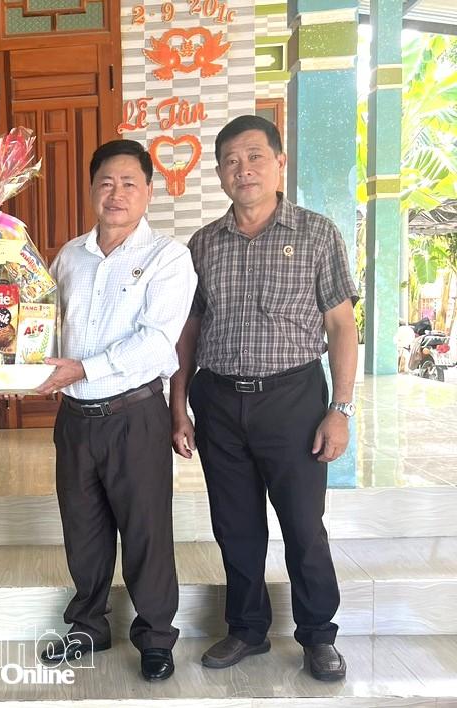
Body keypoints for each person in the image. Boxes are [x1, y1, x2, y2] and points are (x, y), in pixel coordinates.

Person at [169, 115, 358, 681]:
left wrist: (340, 409)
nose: (243, 169)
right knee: (235, 525)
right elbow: (189, 331)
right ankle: (247, 629)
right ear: (220, 173)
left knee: (303, 525)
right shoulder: (203, 243)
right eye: (231, 160)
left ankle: (318, 636)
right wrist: (179, 405)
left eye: (254, 156)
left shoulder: (318, 233)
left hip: (294, 399)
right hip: (219, 401)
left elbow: (341, 326)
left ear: (280, 162)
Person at [34, 139, 196, 682]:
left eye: (129, 183)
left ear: (149, 191)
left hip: (136, 416)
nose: (116, 193)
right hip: (75, 419)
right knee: (82, 529)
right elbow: (45, 327)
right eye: (106, 182)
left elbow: (158, 343)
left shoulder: (168, 257)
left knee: (146, 530)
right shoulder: (68, 257)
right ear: (91, 190)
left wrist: (80, 368)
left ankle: (155, 636)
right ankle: (88, 626)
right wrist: (9, 370)